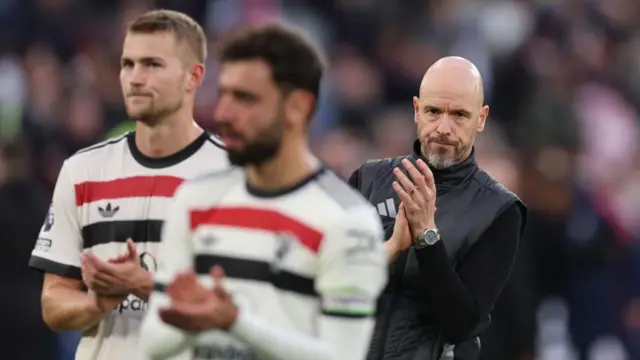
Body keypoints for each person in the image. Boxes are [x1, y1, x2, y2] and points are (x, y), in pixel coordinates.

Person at [139, 23, 388, 360]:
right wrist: (195, 321)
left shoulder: (347, 222)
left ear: (297, 107)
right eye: (223, 94)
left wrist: (235, 322)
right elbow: (151, 344)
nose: (223, 113)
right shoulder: (195, 201)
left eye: (245, 98)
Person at [28, 10, 228, 360]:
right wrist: (97, 302)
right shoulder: (82, 171)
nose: (135, 78)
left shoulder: (234, 176)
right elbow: (53, 303)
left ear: (193, 76)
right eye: (128, 64)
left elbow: (244, 308)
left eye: (152, 65)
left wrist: (143, 284)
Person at [348, 56, 527, 360]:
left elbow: (460, 325)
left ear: (481, 119)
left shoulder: (500, 211)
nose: (443, 128)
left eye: (459, 115)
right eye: (433, 112)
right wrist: (391, 249)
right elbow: (328, 281)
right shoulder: (368, 179)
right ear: (417, 110)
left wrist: (427, 237)